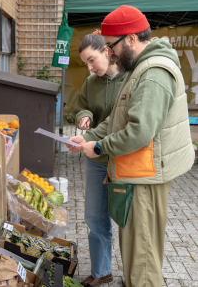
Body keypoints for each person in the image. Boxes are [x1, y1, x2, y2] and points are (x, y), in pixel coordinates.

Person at [68, 6, 194, 287]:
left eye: (111, 47)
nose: (109, 53)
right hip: (138, 170)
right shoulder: (140, 69)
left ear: (131, 39)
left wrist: (99, 148)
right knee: (137, 249)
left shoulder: (152, 73)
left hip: (146, 174)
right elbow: (118, 119)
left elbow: (138, 132)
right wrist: (91, 139)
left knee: (143, 256)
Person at [73, 32, 127, 287]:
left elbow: (117, 120)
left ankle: (137, 274)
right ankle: (102, 271)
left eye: (92, 60)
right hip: (96, 161)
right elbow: (80, 105)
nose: (90, 67)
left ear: (107, 51)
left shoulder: (131, 78)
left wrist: (88, 137)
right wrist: (83, 116)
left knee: (128, 220)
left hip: (124, 159)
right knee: (95, 217)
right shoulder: (91, 82)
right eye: (85, 63)